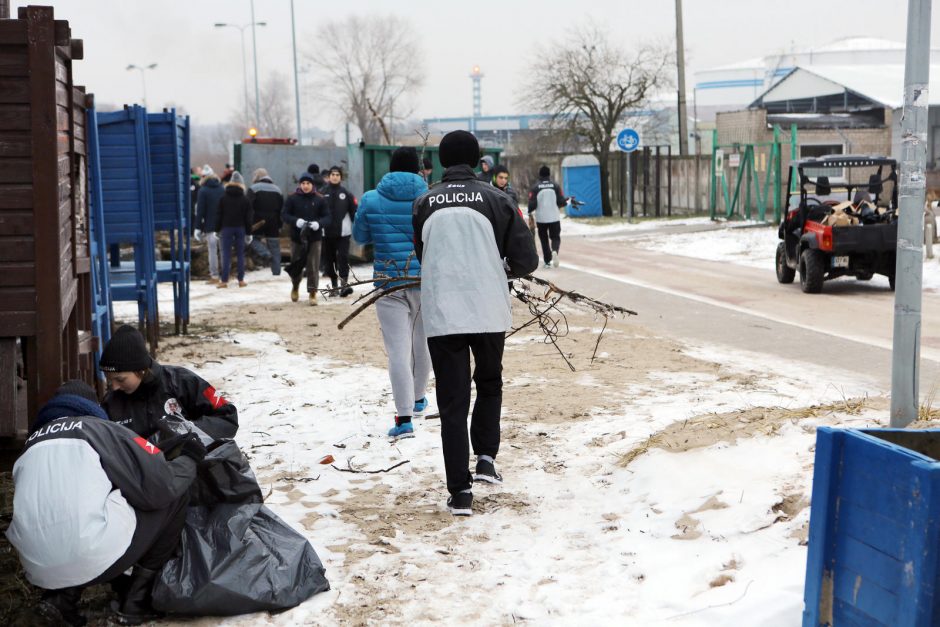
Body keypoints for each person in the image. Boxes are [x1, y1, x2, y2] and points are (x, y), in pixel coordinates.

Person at [6, 380, 206, 626]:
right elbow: (159, 487)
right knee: (173, 496)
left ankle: (59, 600)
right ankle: (136, 600)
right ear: (91, 407)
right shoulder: (99, 429)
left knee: (70, 507)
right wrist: (189, 460)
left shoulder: (30, 445)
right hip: (92, 557)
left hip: (36, 568)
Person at [413, 130, 538, 516]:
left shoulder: (424, 202)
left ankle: (459, 492)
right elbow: (527, 260)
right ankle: (486, 458)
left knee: (452, 401)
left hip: (442, 310)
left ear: (442, 160)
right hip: (487, 307)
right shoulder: (498, 199)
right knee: (489, 381)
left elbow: (423, 252)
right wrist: (503, 268)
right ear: (477, 158)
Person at [352, 146, 432, 440]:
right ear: (418, 169)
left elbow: (359, 238)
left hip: (389, 283)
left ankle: (404, 418)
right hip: (424, 280)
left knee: (398, 351)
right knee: (421, 343)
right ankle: (419, 397)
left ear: (390, 167)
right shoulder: (429, 198)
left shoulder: (372, 198)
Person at [100, 324, 239, 441]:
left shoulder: (182, 381)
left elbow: (228, 416)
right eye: (109, 379)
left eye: (120, 379)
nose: (115, 387)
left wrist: (184, 432)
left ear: (141, 370)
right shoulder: (110, 404)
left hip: (192, 466)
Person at [282, 171, 332, 305]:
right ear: (300, 184)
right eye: (303, 183)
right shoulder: (292, 198)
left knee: (313, 265)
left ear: (312, 184)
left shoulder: (319, 199)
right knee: (297, 264)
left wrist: (318, 224)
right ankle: (295, 286)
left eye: (308, 183)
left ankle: (312, 293)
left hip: (314, 238)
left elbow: (328, 217)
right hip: (297, 238)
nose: (305, 186)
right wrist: (295, 221)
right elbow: (284, 215)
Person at [320, 165, 358, 297]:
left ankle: (344, 285)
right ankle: (334, 286)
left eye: (337, 175)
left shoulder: (346, 194)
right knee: (329, 260)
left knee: (343, 258)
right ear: (328, 177)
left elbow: (354, 212)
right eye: (332, 175)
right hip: (326, 233)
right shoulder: (322, 192)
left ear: (341, 177)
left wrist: (358, 227)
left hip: (343, 233)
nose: (335, 177)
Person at [213, 170, 253, 288]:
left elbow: (218, 215)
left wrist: (216, 229)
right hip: (240, 229)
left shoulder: (223, 198)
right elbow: (248, 218)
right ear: (241, 184)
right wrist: (249, 232)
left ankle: (224, 280)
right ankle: (241, 280)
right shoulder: (245, 200)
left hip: (226, 229)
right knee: (240, 254)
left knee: (226, 254)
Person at [247, 168, 284, 275]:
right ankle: (276, 272)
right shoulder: (278, 190)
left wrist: (248, 223)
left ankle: (265, 253)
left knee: (251, 240)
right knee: (275, 247)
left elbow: (248, 207)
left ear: (257, 177)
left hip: (257, 222)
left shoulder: (253, 188)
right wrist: (280, 224)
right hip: (273, 222)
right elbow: (281, 209)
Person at [527, 165, 566, 268]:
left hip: (541, 218)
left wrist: (529, 212)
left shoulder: (535, 188)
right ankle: (554, 251)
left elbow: (532, 203)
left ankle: (547, 261)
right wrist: (565, 202)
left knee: (544, 239)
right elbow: (561, 202)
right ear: (549, 174)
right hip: (554, 217)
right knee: (555, 237)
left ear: (540, 175)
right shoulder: (556, 186)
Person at [194, 165, 225, 283]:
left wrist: (197, 227)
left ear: (203, 177)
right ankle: (225, 275)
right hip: (222, 225)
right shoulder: (222, 188)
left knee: (212, 251)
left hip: (210, 226)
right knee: (223, 250)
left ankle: (214, 276)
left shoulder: (203, 190)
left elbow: (200, 211)